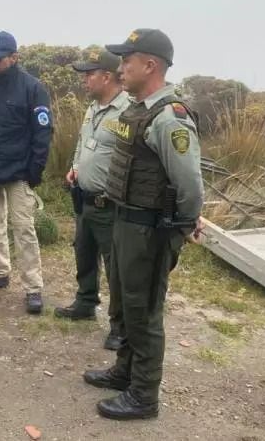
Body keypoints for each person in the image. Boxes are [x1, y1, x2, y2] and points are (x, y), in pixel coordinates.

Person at [82, 29, 204, 420]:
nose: (121, 68)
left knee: (144, 310)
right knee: (123, 301)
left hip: (150, 231)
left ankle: (144, 395)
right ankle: (125, 372)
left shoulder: (170, 118)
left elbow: (189, 184)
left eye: (127, 61)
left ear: (149, 65)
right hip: (124, 221)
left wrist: (180, 228)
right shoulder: (136, 110)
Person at [0, 31, 53, 314]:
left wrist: (34, 171)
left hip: (19, 172)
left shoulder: (32, 88)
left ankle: (33, 287)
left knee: (24, 228)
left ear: (14, 57)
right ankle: (0, 272)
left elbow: (42, 134)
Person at [53, 49, 130, 351]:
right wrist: (74, 167)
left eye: (89, 74)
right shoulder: (92, 108)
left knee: (116, 268)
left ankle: (119, 326)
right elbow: (83, 145)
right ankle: (85, 302)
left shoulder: (128, 110)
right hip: (83, 199)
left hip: (109, 205)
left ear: (107, 76)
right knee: (83, 254)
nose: (84, 79)